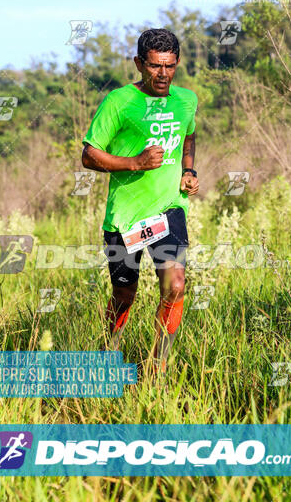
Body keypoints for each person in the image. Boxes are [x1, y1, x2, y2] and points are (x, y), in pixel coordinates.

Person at [81, 28, 199, 374]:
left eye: (170, 66)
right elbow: (89, 155)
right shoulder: (119, 102)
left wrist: (188, 170)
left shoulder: (186, 99)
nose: (163, 74)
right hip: (126, 218)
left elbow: (188, 134)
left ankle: (157, 369)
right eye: (154, 66)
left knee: (175, 286)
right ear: (138, 63)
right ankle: (108, 352)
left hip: (169, 209)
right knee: (124, 295)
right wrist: (135, 162)